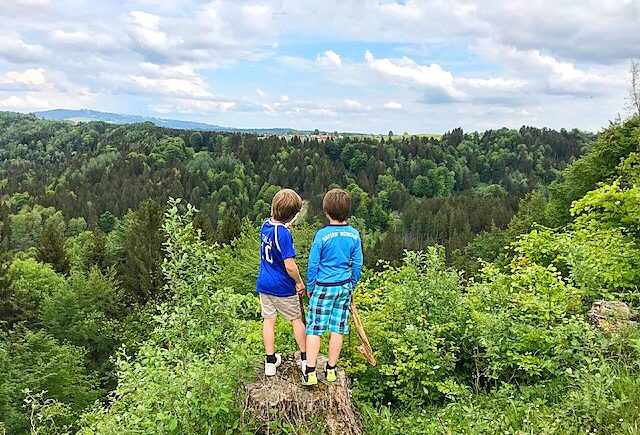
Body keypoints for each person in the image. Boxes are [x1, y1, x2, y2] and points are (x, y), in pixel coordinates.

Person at [302, 188, 363, 386]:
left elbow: (313, 264)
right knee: (337, 329)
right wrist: (351, 283)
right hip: (343, 287)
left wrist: (310, 286)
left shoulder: (321, 235)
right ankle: (331, 370)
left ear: (326, 211)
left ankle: (310, 372)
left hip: (323, 287)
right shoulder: (354, 234)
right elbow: (358, 263)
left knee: (315, 329)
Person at [255, 188, 307, 376]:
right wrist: (299, 283)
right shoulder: (284, 234)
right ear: (292, 216)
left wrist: (285, 227)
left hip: (264, 284)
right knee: (297, 320)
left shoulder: (265, 226)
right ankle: (305, 358)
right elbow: (290, 266)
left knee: (269, 321)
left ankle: (270, 362)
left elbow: (276, 233)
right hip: (283, 287)